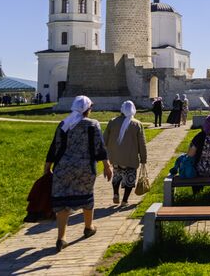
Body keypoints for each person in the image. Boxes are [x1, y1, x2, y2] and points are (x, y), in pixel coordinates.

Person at [44, 96, 112, 252]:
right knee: (86, 197)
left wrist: (47, 167)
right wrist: (107, 166)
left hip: (63, 168)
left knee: (62, 202)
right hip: (85, 168)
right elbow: (99, 147)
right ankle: (88, 227)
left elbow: (54, 147)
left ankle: (61, 238)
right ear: (87, 110)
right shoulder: (92, 125)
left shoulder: (64, 124)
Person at [104, 101, 147, 207]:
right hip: (130, 158)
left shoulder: (112, 122)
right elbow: (142, 143)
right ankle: (124, 200)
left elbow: (104, 140)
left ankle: (115, 194)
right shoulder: (137, 124)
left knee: (117, 176)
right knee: (130, 179)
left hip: (115, 157)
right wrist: (143, 158)